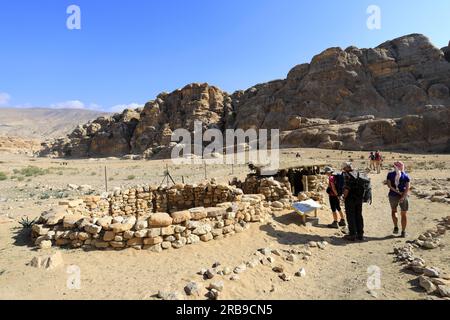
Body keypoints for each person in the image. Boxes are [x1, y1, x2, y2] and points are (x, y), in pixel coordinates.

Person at [386, 161, 411, 238]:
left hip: (392, 196)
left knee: (394, 211)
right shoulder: (406, 176)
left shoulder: (390, 175)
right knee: (403, 214)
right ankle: (403, 232)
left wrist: (397, 192)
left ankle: (396, 227)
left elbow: (389, 186)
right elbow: (407, 188)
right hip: (403, 196)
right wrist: (402, 196)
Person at [342, 162, 365, 241]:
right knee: (358, 215)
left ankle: (352, 235)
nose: (343, 169)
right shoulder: (358, 173)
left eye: (344, 168)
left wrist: (344, 197)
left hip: (350, 199)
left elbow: (347, 189)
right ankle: (360, 234)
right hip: (359, 199)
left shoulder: (347, 175)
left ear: (346, 168)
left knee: (350, 216)